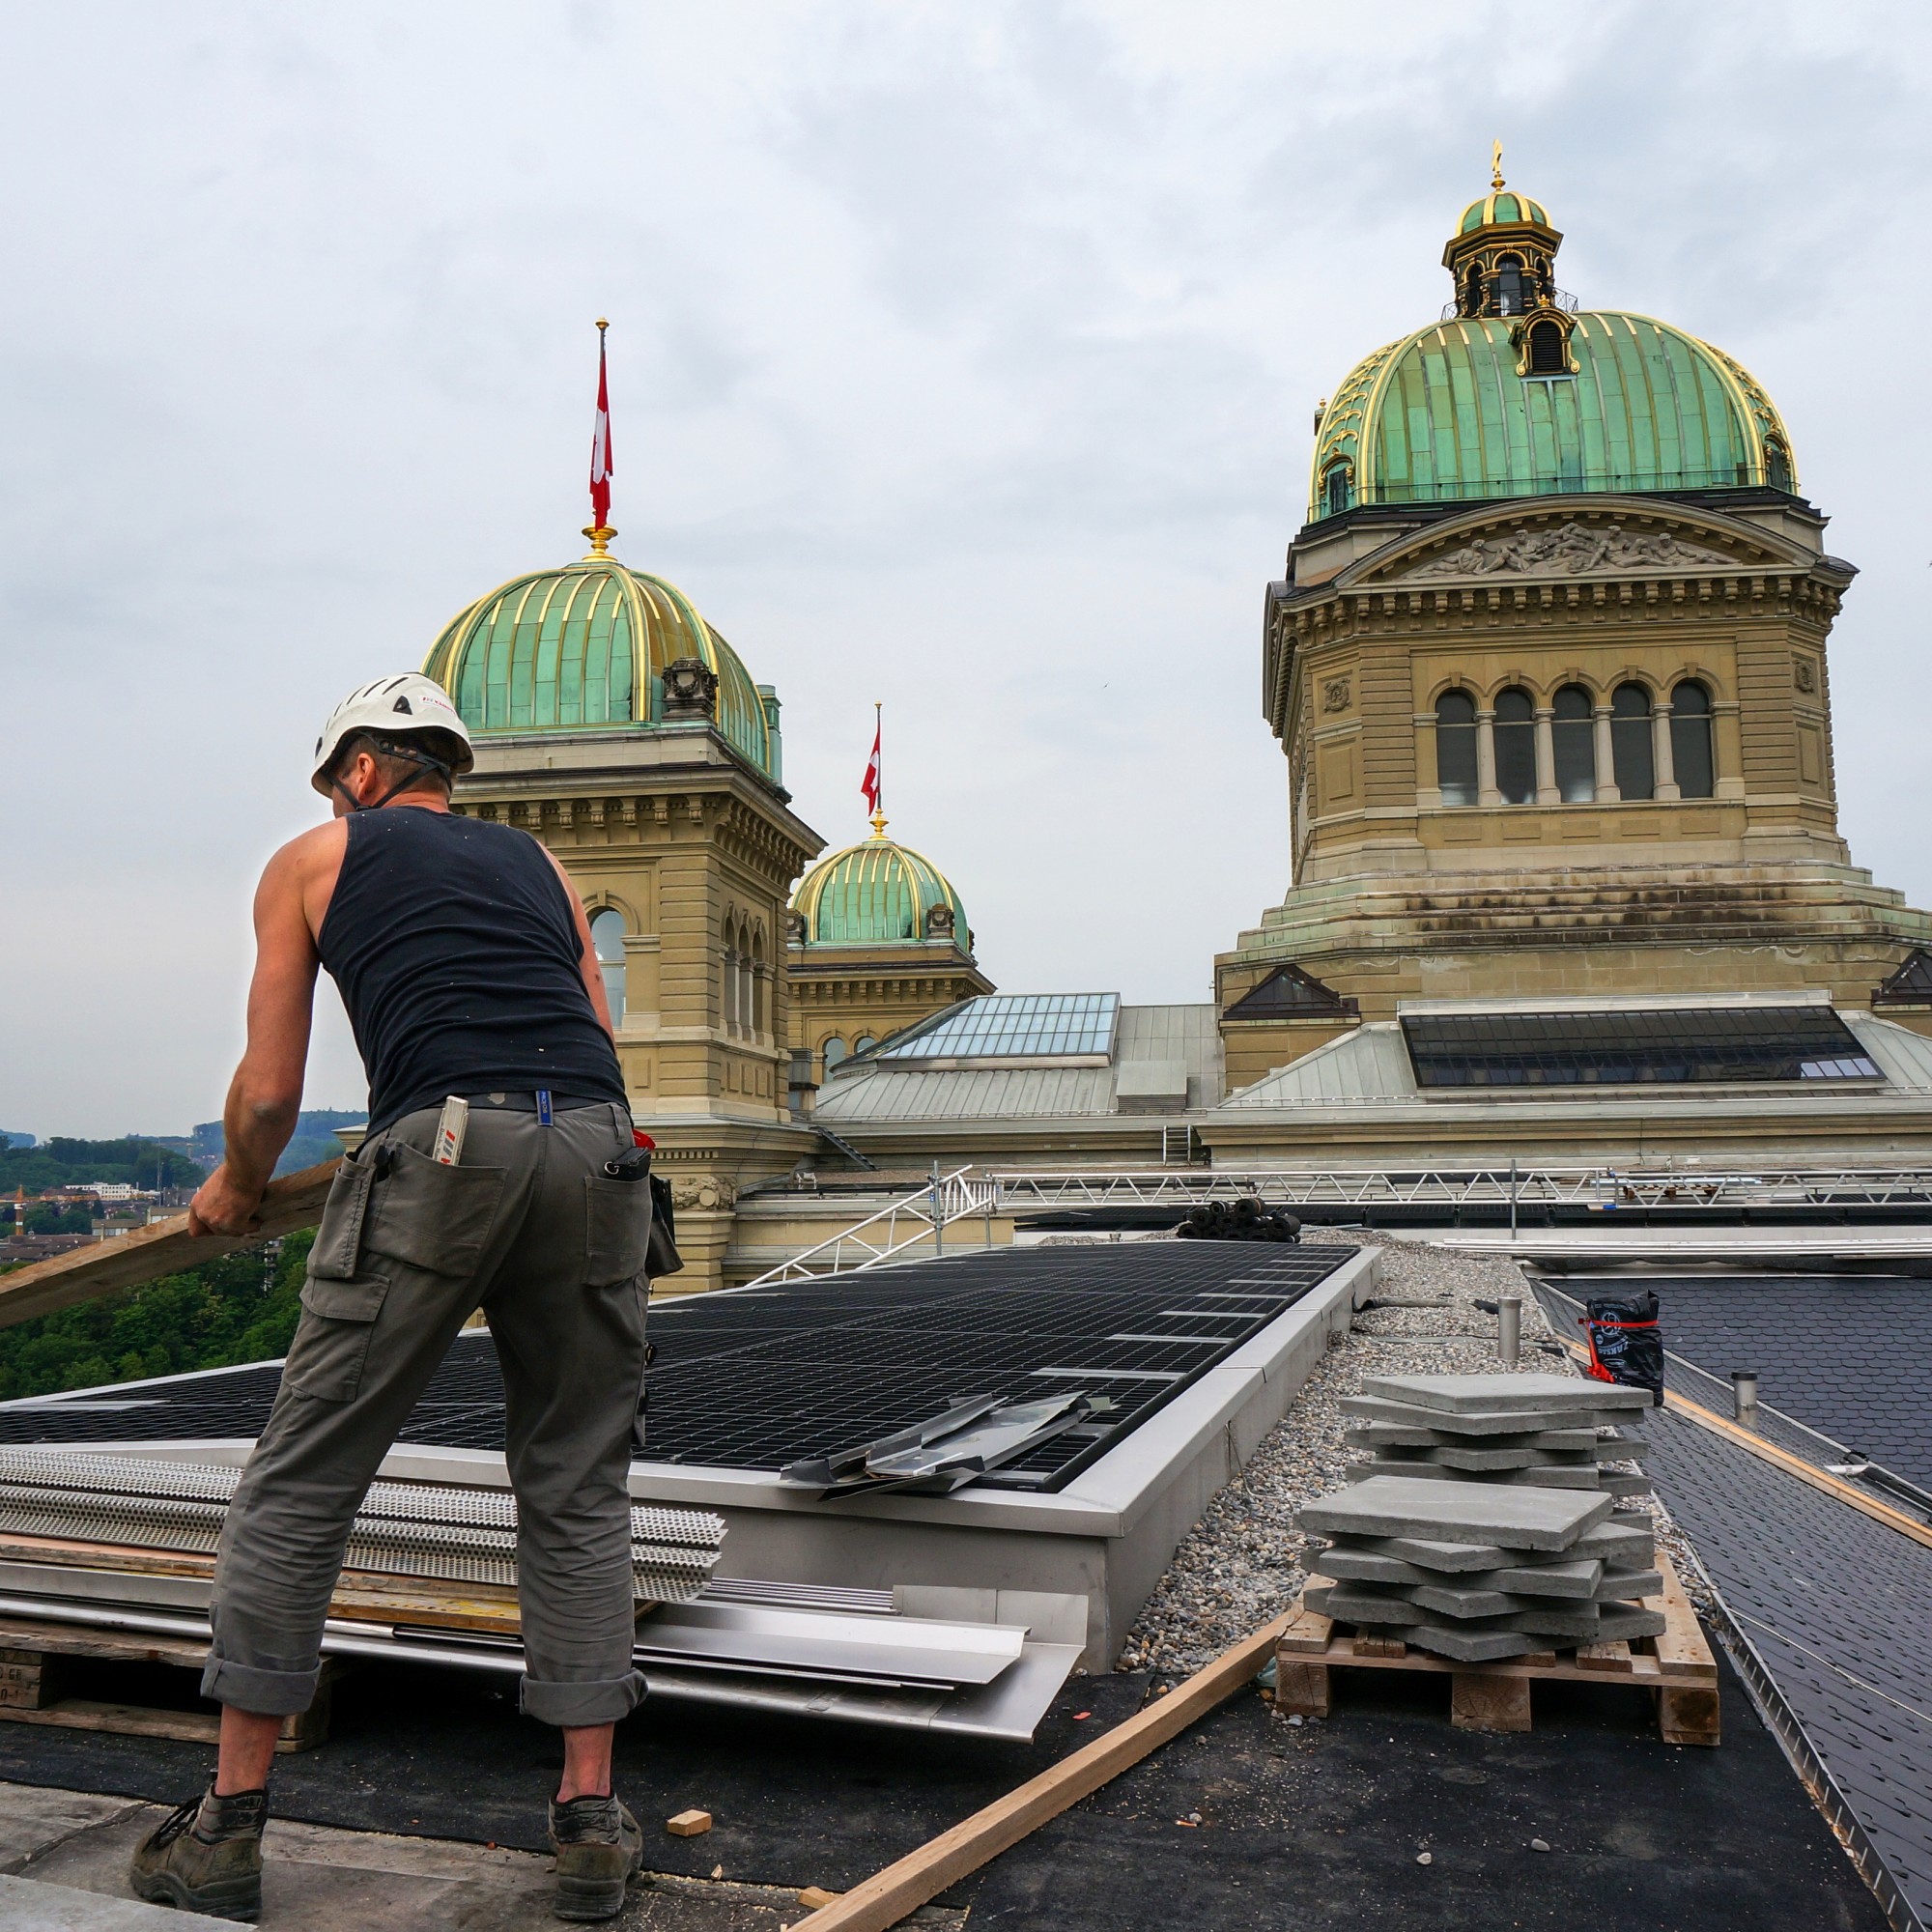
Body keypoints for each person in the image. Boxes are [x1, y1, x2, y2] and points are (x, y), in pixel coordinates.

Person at [131, 674, 653, 1923]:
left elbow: (266, 1094)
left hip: (449, 1150)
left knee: (302, 1480)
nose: (330, 799)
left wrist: (237, 1185)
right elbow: (594, 1034)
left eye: (331, 782)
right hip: (599, 1151)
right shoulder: (538, 863)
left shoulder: (316, 858)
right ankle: (589, 1825)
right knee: (577, 1486)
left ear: (360, 769)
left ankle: (227, 1830)